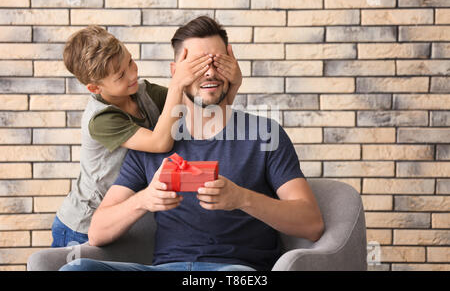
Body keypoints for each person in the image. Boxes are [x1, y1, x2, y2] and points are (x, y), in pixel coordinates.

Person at [60, 16, 324, 271]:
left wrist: (242, 198)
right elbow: (97, 232)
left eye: (218, 62)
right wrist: (145, 199)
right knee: (77, 268)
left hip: (234, 271)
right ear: (176, 74)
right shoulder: (148, 142)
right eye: (197, 65)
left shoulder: (263, 135)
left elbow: (311, 224)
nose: (209, 71)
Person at [52, 24, 241, 247]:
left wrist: (234, 83)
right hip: (85, 224)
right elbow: (159, 142)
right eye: (121, 75)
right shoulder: (101, 119)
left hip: (129, 217)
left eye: (130, 61)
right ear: (95, 88)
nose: (133, 73)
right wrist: (178, 82)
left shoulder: (143, 92)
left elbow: (202, 111)